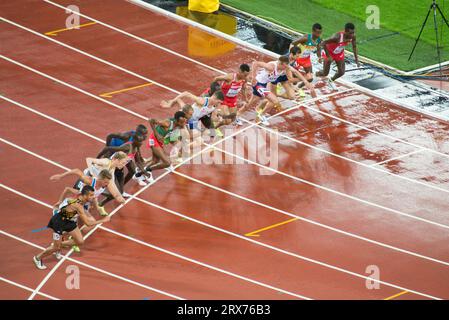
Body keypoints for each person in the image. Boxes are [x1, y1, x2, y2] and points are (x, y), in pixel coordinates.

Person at [33, 186, 110, 270]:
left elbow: (67, 189)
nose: (93, 197)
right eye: (91, 195)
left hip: (70, 221)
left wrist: (60, 202)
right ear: (85, 195)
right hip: (58, 223)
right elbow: (88, 223)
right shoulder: (78, 206)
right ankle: (38, 258)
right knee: (55, 247)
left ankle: (58, 245)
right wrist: (103, 220)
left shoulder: (78, 196)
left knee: (80, 241)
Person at [237, 56, 291, 126]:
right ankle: (261, 115)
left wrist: (304, 81)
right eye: (286, 65)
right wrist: (253, 77)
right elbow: (255, 63)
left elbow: (292, 74)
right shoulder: (271, 67)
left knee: (250, 104)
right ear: (282, 64)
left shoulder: (284, 68)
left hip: (263, 85)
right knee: (275, 100)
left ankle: (237, 114)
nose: (287, 66)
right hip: (257, 84)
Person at [140, 111, 188, 175]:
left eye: (184, 121)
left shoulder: (178, 126)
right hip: (154, 140)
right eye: (182, 122)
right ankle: (147, 170)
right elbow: (151, 120)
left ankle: (140, 172)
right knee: (167, 163)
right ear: (177, 121)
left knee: (155, 161)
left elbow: (172, 139)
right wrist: (156, 134)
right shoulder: (167, 123)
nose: (184, 123)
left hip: (160, 142)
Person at [316, 22, 360, 90]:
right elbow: (323, 43)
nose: (352, 35)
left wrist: (356, 59)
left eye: (353, 32)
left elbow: (354, 47)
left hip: (339, 53)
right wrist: (328, 55)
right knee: (325, 73)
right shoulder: (337, 37)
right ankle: (316, 74)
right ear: (345, 32)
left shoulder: (353, 36)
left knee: (341, 72)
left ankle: (331, 80)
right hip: (329, 52)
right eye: (351, 33)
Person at [290, 23, 323, 88]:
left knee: (310, 78)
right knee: (294, 81)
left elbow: (319, 49)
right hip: (298, 58)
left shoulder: (319, 40)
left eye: (320, 33)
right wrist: (293, 54)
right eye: (317, 33)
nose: (318, 35)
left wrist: (319, 57)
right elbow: (293, 43)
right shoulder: (305, 38)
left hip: (306, 59)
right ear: (313, 31)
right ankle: (283, 82)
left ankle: (299, 88)